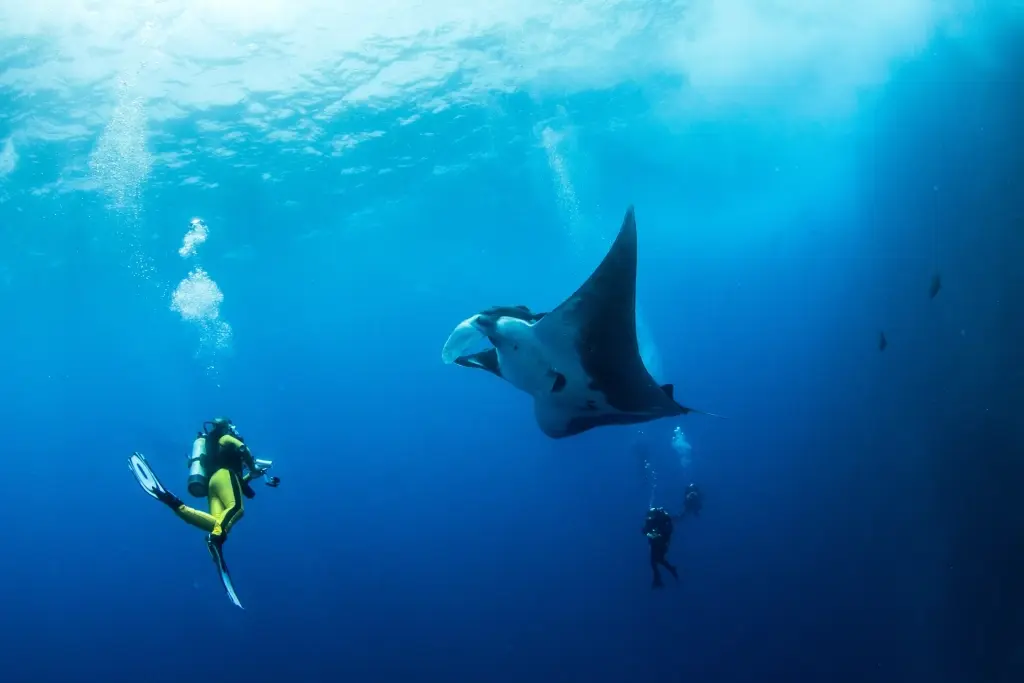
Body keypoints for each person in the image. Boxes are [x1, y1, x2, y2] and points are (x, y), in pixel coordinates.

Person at [128, 417, 279, 609]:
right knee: (236, 509)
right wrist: (253, 466)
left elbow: (239, 484)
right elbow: (242, 449)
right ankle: (215, 539)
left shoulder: (214, 447)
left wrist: (252, 475)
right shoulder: (225, 438)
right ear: (226, 427)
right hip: (225, 475)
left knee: (217, 522)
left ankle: (174, 503)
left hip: (212, 485)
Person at [642, 506, 679, 588]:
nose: (650, 519)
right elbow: (644, 530)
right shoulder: (649, 520)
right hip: (654, 542)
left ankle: (662, 576)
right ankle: (658, 579)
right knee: (654, 561)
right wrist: (649, 533)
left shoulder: (661, 519)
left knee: (659, 560)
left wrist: (659, 535)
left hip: (662, 542)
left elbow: (667, 531)